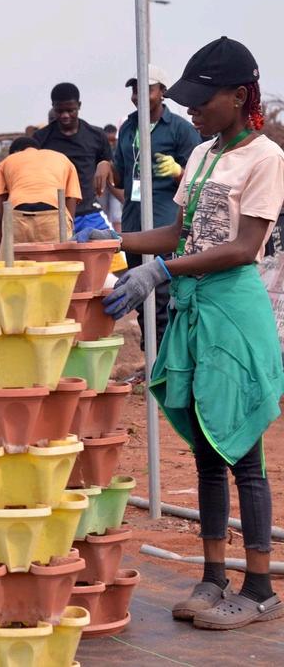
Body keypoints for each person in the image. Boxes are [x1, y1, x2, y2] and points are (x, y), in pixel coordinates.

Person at [80, 37, 284, 630]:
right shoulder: (201, 155)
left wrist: (160, 272)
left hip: (233, 315)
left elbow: (245, 247)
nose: (191, 110)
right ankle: (213, 576)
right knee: (204, 447)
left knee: (240, 445)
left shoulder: (266, 158)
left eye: (203, 99)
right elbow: (178, 234)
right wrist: (116, 243)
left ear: (239, 95)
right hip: (195, 310)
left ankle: (261, 586)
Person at [95, 65, 201, 363]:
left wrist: (179, 171)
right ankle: (152, 362)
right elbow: (119, 176)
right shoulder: (129, 128)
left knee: (166, 295)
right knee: (138, 294)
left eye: (146, 88)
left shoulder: (180, 129)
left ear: (162, 92)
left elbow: (200, 177)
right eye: (134, 89)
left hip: (166, 224)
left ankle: (172, 363)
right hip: (133, 222)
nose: (138, 95)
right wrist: (106, 165)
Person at [33, 83, 113, 234]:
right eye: (60, 110)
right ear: (53, 107)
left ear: (79, 105)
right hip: (53, 215)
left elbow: (109, 169)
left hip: (89, 213)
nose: (65, 115)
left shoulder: (96, 136)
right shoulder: (41, 139)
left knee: (113, 250)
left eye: (70, 110)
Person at [0, 136, 81, 257]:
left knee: (17, 271)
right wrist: (66, 228)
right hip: (54, 217)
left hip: (17, 216)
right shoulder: (62, 159)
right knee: (59, 268)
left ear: (16, 152)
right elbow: (71, 200)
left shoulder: (6, 162)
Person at [99, 124, 124, 233]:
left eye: (112, 140)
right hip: (103, 185)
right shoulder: (100, 147)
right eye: (108, 141)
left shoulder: (120, 147)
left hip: (115, 184)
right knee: (102, 211)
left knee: (116, 214)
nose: (110, 143)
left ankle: (119, 238)